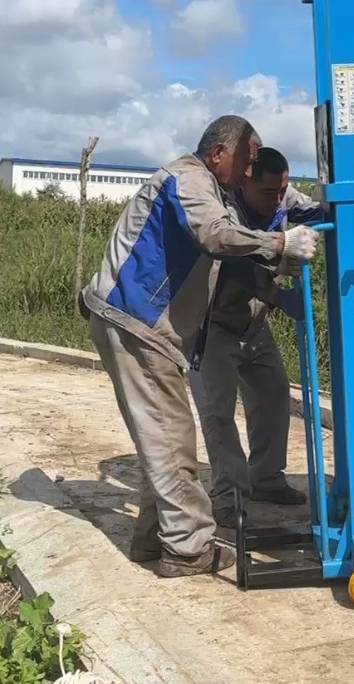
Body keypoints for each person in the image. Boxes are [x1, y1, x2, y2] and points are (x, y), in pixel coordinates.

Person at [80, 116, 319, 578]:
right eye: (247, 162)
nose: (251, 173)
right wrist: (277, 243)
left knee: (161, 436)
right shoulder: (190, 179)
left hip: (143, 324)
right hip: (137, 320)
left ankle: (154, 538)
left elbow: (293, 206)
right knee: (172, 436)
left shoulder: (212, 183)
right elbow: (213, 233)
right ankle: (188, 547)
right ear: (218, 155)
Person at [188, 147, 323, 528]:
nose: (278, 200)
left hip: (252, 324)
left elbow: (313, 212)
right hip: (212, 325)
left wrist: (342, 207)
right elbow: (232, 263)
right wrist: (278, 294)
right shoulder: (224, 209)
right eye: (269, 192)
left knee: (272, 391)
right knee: (218, 411)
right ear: (245, 181)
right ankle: (229, 496)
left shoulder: (280, 195)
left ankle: (265, 478)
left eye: (283, 190)